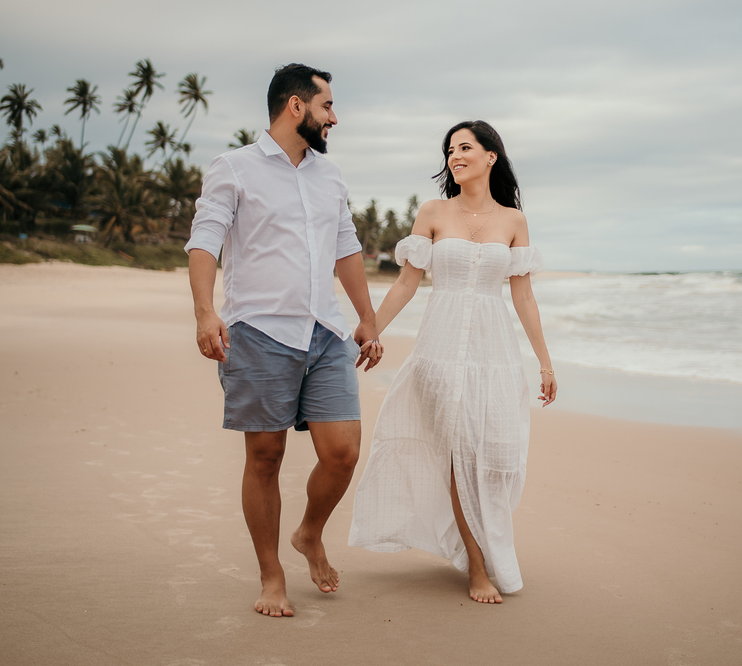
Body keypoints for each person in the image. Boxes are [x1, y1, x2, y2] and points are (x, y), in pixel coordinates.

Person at [186, 63, 383, 618]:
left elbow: (346, 247)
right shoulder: (234, 168)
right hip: (259, 331)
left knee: (342, 454)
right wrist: (205, 314)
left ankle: (310, 533)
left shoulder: (331, 175)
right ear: (296, 107)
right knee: (266, 456)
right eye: (327, 107)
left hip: (325, 332)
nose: (334, 118)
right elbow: (205, 244)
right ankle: (271, 575)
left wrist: (366, 316)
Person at [348, 120, 556, 603]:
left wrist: (544, 362)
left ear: (491, 157)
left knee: (497, 453)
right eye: (449, 150)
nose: (454, 156)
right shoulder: (434, 211)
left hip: (494, 352)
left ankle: (477, 547)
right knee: (458, 450)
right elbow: (406, 282)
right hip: (440, 350)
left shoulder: (514, 221)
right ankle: (477, 567)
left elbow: (523, 298)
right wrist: (371, 325)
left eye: (465, 147)